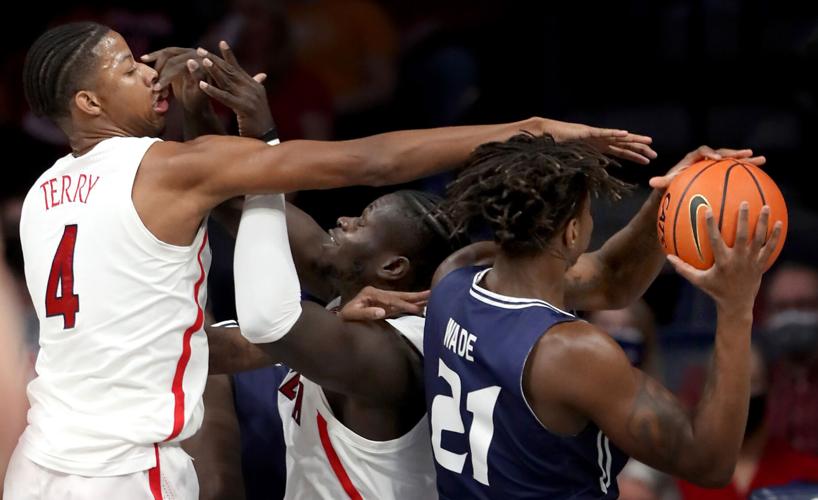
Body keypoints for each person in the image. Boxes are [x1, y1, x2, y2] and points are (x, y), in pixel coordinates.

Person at [7, 22, 653, 500]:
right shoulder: (163, 172)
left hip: (35, 464)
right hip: (124, 473)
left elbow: (153, 339)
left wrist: (205, 126)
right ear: (87, 105)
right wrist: (531, 126)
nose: (148, 71)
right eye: (126, 69)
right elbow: (369, 160)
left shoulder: (39, 201)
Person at [423, 132, 783, 498]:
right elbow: (710, 462)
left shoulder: (455, 275)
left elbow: (611, 280)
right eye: (587, 211)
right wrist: (736, 308)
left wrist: (670, 201)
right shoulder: (570, 352)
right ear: (573, 232)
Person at [676, 345, 818, 500]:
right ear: (705, 393)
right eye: (727, 386)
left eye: (752, 383)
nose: (740, 398)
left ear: (769, 389)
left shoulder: (807, 472)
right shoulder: (683, 476)